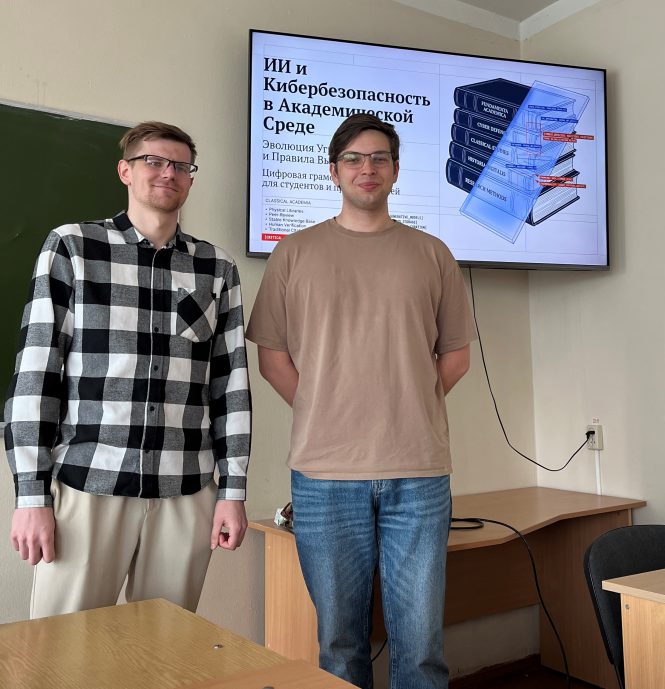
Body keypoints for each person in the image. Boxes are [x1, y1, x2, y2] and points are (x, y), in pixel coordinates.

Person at [246, 114, 475, 689]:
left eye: (378, 158)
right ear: (333, 171)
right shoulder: (294, 253)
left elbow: (455, 357)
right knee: (340, 645)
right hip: (323, 477)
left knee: (421, 648)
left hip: (418, 474)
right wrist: (324, 408)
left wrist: (407, 405)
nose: (366, 168)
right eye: (353, 158)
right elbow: (272, 357)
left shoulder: (433, 253)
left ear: (395, 171)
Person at [5, 121, 251, 618]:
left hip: (185, 490)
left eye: (181, 166)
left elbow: (231, 387)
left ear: (190, 178)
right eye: (153, 161)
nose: (168, 173)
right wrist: (31, 497)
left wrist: (233, 491)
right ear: (125, 171)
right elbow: (36, 372)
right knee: (63, 647)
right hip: (89, 484)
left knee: (165, 648)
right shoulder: (73, 247)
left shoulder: (216, 268)